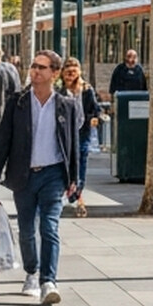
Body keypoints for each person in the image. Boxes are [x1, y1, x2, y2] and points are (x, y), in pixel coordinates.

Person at [0, 50, 80, 306]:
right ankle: (32, 272)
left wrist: (75, 178)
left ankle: (49, 281)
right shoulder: (17, 103)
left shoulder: (66, 105)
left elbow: (72, 144)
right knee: (27, 230)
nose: (35, 71)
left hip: (53, 175)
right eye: (34, 66)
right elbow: (3, 141)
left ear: (54, 73)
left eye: (42, 67)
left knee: (49, 228)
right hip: (23, 174)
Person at [61, 58, 102, 216]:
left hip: (82, 132)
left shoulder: (86, 89)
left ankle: (77, 192)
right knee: (67, 163)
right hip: (66, 134)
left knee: (81, 161)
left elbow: (95, 108)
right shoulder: (60, 91)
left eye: (74, 71)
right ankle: (71, 191)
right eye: (68, 71)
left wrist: (95, 118)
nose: (71, 74)